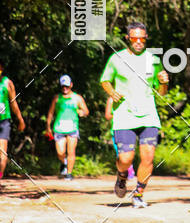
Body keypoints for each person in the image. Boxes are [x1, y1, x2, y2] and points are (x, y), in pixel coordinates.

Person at [100, 21, 168, 208]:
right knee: (125, 158)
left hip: (148, 116)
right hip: (124, 115)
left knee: (148, 157)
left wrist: (164, 82)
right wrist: (112, 93)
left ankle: (138, 193)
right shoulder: (116, 59)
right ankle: (122, 177)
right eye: (135, 38)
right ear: (128, 38)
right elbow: (105, 80)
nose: (138, 42)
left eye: (142, 38)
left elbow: (160, 93)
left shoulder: (153, 60)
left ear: (146, 39)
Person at [46, 75, 89, 180]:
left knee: (71, 151)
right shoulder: (57, 98)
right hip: (59, 128)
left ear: (71, 85)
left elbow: (86, 111)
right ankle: (63, 162)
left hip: (72, 128)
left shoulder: (77, 98)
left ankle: (69, 173)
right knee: (60, 152)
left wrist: (81, 113)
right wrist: (48, 126)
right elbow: (51, 113)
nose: (65, 88)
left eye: (67, 86)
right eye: (63, 86)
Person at [0, 62, 26, 184]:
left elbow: (13, 103)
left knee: (2, 153)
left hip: (3, 121)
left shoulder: (7, 83)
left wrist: (20, 119)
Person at [105, 96, 135, 180]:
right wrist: (118, 114)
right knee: (120, 153)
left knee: (130, 151)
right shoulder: (111, 99)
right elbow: (107, 115)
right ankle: (123, 172)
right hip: (116, 129)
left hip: (130, 128)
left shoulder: (130, 96)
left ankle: (129, 169)